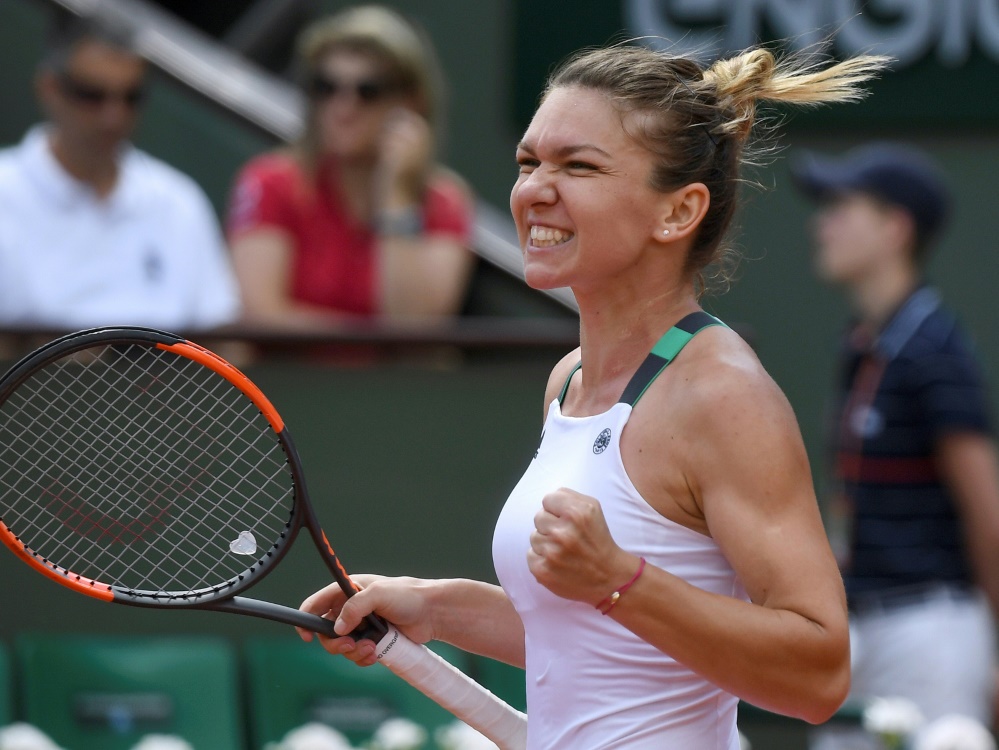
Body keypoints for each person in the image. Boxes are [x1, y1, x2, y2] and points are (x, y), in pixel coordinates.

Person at [297, 42, 888, 748]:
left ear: (676, 213)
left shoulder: (722, 395)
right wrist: (434, 606)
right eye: (528, 163)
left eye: (577, 166)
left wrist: (618, 578)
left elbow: (818, 676)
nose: (534, 190)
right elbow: (599, 647)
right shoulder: (570, 379)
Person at [789, 143, 999, 749]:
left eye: (841, 207)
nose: (821, 223)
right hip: (859, 631)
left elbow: (986, 516)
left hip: (931, 634)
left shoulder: (936, 351)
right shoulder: (862, 345)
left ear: (895, 228)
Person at [225, 5, 475, 328]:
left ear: (411, 102)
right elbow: (263, 318)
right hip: (286, 379)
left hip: (394, 382)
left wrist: (396, 194)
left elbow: (416, 330)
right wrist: (377, 341)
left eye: (368, 91)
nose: (343, 107)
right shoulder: (270, 181)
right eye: (327, 87)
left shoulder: (445, 201)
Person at [0, 15, 240, 333]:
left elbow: (224, 336)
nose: (113, 116)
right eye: (92, 95)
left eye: (131, 97)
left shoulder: (179, 200)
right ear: (49, 89)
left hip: (162, 383)